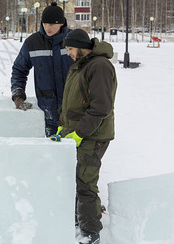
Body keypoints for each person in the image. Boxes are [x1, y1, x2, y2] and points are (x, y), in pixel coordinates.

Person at [56, 28, 117, 244]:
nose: (69, 53)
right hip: (81, 132)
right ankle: (80, 218)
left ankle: (91, 232)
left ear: (82, 47)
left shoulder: (99, 66)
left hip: (93, 134)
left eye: (71, 49)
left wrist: (79, 134)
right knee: (78, 177)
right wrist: (62, 129)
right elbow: (72, 104)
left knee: (85, 181)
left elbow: (101, 107)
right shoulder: (81, 65)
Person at [11, 2, 73, 136]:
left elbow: (89, 69)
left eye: (51, 24)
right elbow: (19, 69)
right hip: (47, 113)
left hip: (74, 112)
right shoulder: (33, 43)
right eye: (45, 23)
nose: (47, 28)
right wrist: (18, 94)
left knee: (73, 154)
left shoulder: (74, 40)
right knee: (49, 155)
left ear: (61, 23)